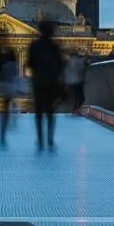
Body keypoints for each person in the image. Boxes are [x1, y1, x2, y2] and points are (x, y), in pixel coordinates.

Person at [28, 20, 63, 151]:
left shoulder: (34, 45)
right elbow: (60, 66)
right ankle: (50, 139)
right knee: (50, 111)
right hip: (51, 82)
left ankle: (40, 139)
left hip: (38, 82)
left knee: (38, 112)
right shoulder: (54, 47)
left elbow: (30, 64)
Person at [0, 48, 18, 146]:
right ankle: (12, 118)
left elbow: (1, 76)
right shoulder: (15, 66)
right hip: (12, 88)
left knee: (6, 105)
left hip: (5, 88)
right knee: (11, 103)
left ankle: (6, 120)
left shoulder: (5, 66)